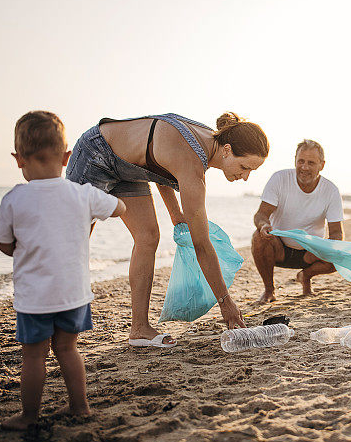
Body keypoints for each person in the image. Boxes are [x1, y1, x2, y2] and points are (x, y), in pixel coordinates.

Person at [66, 112, 268, 347]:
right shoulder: (193, 163)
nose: (245, 177)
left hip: (130, 169)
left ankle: (139, 329)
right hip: (97, 152)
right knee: (75, 245)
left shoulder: (210, 144)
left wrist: (175, 213)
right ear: (227, 150)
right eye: (245, 167)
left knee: (148, 236)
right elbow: (201, 244)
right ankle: (58, 323)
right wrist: (226, 304)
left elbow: (161, 166)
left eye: (251, 171)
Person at [0, 111, 126, 430]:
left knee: (34, 357)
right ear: (67, 157)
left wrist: (20, 247)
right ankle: (80, 408)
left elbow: (4, 245)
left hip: (35, 299)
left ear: (18, 159)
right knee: (68, 349)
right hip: (74, 295)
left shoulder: (14, 199)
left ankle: (28, 416)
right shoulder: (82, 194)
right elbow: (120, 209)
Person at [251, 139, 344, 302]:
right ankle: (269, 290)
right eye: (301, 161)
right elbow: (260, 214)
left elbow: (337, 232)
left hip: (310, 253)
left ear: (321, 165)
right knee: (258, 237)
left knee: (341, 255)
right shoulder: (279, 178)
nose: (304, 167)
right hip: (278, 248)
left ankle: (305, 276)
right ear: (295, 160)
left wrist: (331, 249)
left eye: (311, 162)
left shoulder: (331, 190)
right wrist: (264, 225)